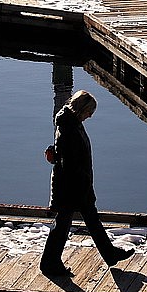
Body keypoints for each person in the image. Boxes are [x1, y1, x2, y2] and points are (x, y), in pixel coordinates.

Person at [40, 90, 135, 277]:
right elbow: (69, 163)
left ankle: (110, 254)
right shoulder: (69, 128)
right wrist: (82, 188)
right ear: (81, 109)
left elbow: (63, 156)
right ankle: (49, 263)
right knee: (62, 226)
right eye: (89, 112)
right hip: (71, 187)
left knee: (90, 220)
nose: (90, 116)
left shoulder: (71, 123)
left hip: (75, 184)